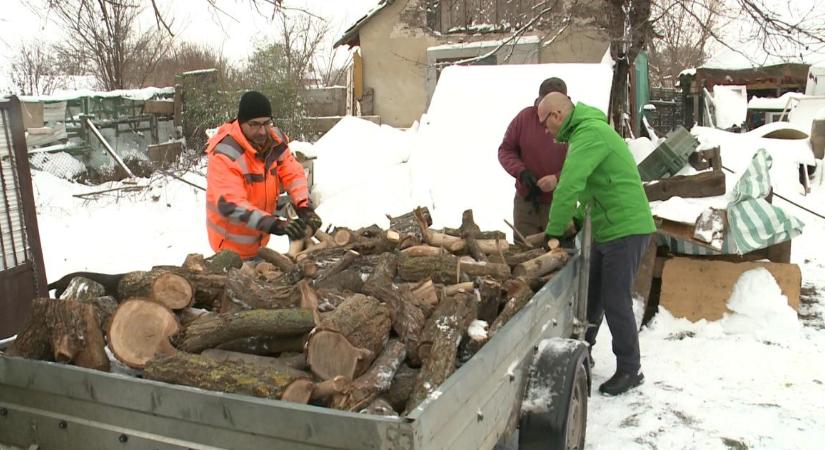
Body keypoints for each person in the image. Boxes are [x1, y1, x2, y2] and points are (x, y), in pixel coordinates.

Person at [537, 92, 655, 396]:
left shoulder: (590, 133)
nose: (545, 131)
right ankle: (583, 352)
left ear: (558, 115)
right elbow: (590, 189)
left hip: (625, 227)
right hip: (608, 227)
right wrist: (575, 220)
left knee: (615, 299)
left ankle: (631, 369)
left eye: (544, 123)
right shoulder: (584, 132)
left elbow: (569, 186)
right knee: (591, 297)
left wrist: (554, 233)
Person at [205, 91, 321, 259]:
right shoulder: (226, 153)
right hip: (230, 249)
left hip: (259, 242)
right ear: (241, 122)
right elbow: (231, 204)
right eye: (254, 124)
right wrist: (275, 224)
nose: (262, 131)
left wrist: (304, 206)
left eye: (266, 123)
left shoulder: (274, 142)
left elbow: (293, 174)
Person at [498, 77, 569, 243]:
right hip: (527, 201)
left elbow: (580, 163)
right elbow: (506, 150)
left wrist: (557, 178)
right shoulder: (525, 118)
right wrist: (521, 172)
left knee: (559, 251)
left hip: (559, 202)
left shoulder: (572, 123)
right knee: (525, 249)